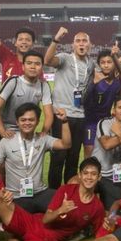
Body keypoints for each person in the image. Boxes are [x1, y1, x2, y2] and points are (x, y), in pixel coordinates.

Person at [0, 103, 71, 213]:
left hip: (40, 192)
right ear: (17, 122)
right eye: (23, 120)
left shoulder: (43, 139)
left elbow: (66, 144)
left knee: (66, 202)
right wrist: (1, 191)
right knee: (21, 222)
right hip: (15, 196)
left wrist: (64, 121)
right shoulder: (6, 141)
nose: (27, 123)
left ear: (38, 121)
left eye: (31, 120)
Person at [45, 27, 95, 188]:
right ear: (73, 45)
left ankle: (70, 192)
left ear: (90, 45)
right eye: (78, 41)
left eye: (84, 40)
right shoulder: (65, 58)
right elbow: (47, 60)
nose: (81, 43)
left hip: (80, 116)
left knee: (73, 158)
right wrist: (56, 39)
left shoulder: (91, 64)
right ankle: (53, 193)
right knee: (58, 157)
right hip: (62, 115)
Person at [0, 51, 53, 139]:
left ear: (42, 68)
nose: (33, 67)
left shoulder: (44, 86)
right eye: (29, 63)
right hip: (6, 130)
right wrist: (2, 132)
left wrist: (44, 132)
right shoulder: (13, 81)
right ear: (23, 67)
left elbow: (49, 114)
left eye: (37, 64)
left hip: (27, 132)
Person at [0, 0, 42, 81]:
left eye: (28, 40)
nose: (24, 42)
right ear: (15, 42)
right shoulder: (7, 57)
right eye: (20, 39)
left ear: (33, 44)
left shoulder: (36, 66)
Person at [83, 49, 121, 157]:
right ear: (99, 64)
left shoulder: (117, 83)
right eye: (103, 62)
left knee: (106, 152)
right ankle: (87, 172)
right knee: (89, 149)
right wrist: (93, 84)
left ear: (114, 63)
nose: (106, 65)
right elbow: (84, 101)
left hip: (106, 121)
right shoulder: (94, 79)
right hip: (91, 121)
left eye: (109, 62)